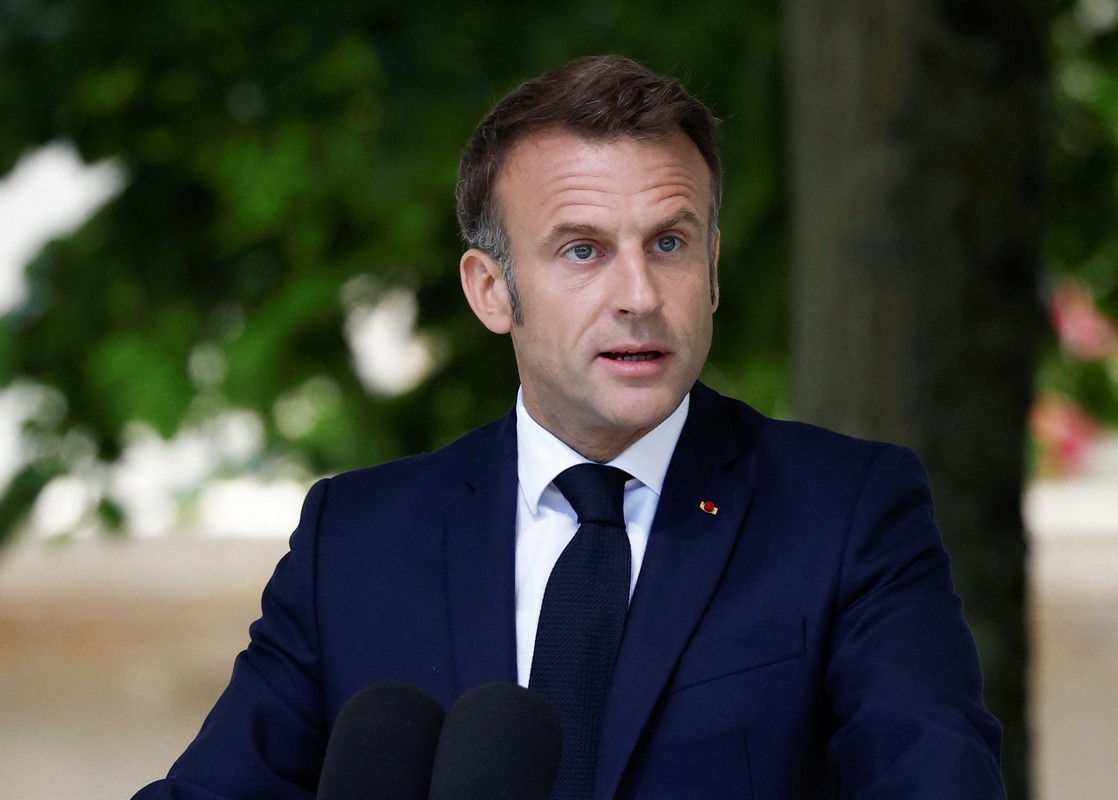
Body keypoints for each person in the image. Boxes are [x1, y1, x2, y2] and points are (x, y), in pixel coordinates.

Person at [134, 55, 1004, 799]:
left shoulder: (846, 513)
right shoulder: (356, 542)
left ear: (711, 270)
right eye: (583, 250)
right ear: (491, 291)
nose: (639, 295)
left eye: (669, 244)